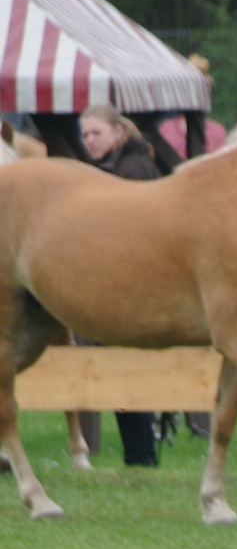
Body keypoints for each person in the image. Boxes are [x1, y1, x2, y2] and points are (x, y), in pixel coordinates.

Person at [77, 103, 162, 468]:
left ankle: (141, 455)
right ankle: (138, 453)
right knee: (117, 369)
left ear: (118, 133)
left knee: (126, 370)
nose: (90, 140)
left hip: (132, 288)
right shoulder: (107, 167)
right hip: (111, 284)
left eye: (96, 133)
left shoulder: (135, 169)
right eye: (85, 135)